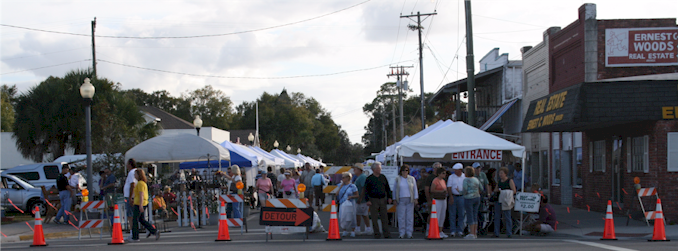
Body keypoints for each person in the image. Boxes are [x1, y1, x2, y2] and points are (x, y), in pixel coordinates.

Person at [364, 162, 392, 239]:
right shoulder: (369, 178)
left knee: (384, 217)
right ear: (373, 169)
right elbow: (366, 190)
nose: (380, 170)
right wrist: (367, 200)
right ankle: (377, 233)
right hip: (373, 200)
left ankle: (386, 233)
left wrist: (390, 197)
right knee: (374, 217)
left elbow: (387, 188)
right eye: (378, 168)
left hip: (383, 199)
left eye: (380, 168)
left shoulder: (383, 177)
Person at [131, 169, 159, 241]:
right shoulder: (142, 183)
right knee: (141, 219)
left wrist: (140, 205)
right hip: (143, 202)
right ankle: (153, 231)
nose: (134, 175)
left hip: (139, 203)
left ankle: (135, 237)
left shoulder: (140, 183)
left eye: (135, 174)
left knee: (135, 220)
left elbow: (141, 194)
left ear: (139, 175)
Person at [394, 164, 418, 239]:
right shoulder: (397, 179)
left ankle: (409, 232)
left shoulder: (411, 179)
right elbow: (395, 190)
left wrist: (416, 198)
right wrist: (394, 198)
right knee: (401, 217)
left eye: (406, 170)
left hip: (409, 199)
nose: (405, 172)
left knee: (409, 217)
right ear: (401, 171)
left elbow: (415, 189)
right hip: (401, 199)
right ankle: (401, 232)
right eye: (403, 170)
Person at [494, 167, 517, 238]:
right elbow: (495, 189)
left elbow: (514, 190)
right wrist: (497, 190)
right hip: (499, 200)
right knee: (497, 217)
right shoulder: (499, 181)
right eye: (499, 173)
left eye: (502, 173)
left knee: (507, 217)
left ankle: (509, 232)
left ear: (505, 174)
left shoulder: (509, 181)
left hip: (507, 200)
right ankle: (496, 232)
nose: (500, 175)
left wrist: (506, 192)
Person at [352, 163, 373, 235]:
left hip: (361, 199)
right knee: (361, 214)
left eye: (355, 169)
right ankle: (364, 228)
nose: (354, 170)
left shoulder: (362, 177)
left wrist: (360, 198)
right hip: (360, 198)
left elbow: (364, 188)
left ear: (359, 170)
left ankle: (364, 228)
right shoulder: (359, 177)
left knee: (362, 214)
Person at [447, 163, 466, 237]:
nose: (455, 171)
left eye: (456, 170)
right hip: (454, 196)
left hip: (462, 196)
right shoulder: (451, 177)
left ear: (460, 170)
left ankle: (460, 230)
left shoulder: (464, 176)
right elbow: (449, 187)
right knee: (452, 214)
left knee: (461, 214)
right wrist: (451, 196)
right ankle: (453, 230)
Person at [462, 166, 481, 239]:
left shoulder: (466, 180)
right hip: (477, 197)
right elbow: (481, 188)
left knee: (470, 215)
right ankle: (475, 232)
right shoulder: (476, 179)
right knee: (475, 214)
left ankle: (471, 233)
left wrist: (459, 191)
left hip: (469, 198)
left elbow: (465, 190)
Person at [337, 172, 359, 237]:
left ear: (348, 178)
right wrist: (340, 187)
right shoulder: (340, 185)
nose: (342, 179)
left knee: (352, 216)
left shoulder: (353, 186)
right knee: (342, 217)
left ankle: (353, 231)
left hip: (350, 203)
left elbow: (357, 195)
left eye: (343, 177)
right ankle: (344, 230)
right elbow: (336, 194)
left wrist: (351, 197)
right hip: (342, 203)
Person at [430, 167, 449, 238]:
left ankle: (441, 230)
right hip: (437, 199)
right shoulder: (435, 180)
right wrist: (441, 191)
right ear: (439, 174)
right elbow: (432, 190)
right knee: (437, 215)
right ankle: (436, 230)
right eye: (443, 173)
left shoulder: (443, 181)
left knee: (442, 215)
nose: (444, 175)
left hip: (443, 199)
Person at [123, 159, 138, 240]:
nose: (126, 166)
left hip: (131, 197)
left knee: (130, 215)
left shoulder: (132, 172)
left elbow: (132, 184)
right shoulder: (134, 172)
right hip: (132, 196)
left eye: (127, 164)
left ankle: (133, 233)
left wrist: (130, 197)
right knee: (134, 215)